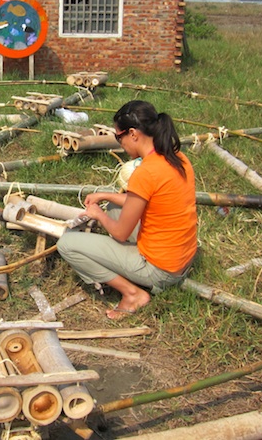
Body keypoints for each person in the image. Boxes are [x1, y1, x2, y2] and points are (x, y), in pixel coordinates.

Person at [57, 100, 197, 319]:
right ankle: (127, 260)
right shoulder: (177, 157)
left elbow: (121, 233)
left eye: (118, 137)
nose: (119, 143)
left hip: (162, 271)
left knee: (66, 244)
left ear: (133, 133)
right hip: (182, 257)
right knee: (115, 205)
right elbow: (148, 201)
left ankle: (132, 294)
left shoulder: (146, 172)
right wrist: (106, 195)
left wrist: (98, 214)